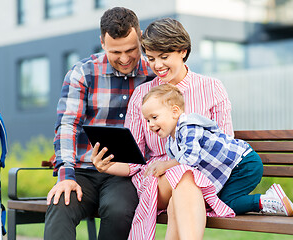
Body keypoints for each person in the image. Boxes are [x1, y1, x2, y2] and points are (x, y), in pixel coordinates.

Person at [92, 18, 236, 240]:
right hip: (157, 179)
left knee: (186, 178)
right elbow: (134, 159)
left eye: (164, 57)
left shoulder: (212, 88)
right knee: (185, 176)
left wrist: (176, 163)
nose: (157, 65)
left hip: (206, 174)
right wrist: (107, 166)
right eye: (151, 58)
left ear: (183, 51)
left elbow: (224, 146)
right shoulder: (142, 95)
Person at [44, 7, 154, 240]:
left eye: (131, 50)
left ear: (141, 38)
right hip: (83, 170)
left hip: (125, 175)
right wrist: (66, 176)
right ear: (102, 42)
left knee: (119, 210)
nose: (124, 59)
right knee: (60, 204)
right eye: (116, 52)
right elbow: (67, 125)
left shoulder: (153, 74)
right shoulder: (82, 73)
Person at [141, 83, 293, 218]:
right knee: (222, 204)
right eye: (147, 120)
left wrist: (165, 165)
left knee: (228, 204)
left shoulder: (188, 127)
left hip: (244, 164)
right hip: (232, 170)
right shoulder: (171, 142)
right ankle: (267, 200)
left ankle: (268, 200)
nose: (150, 124)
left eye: (154, 117)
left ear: (175, 111)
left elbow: (190, 158)